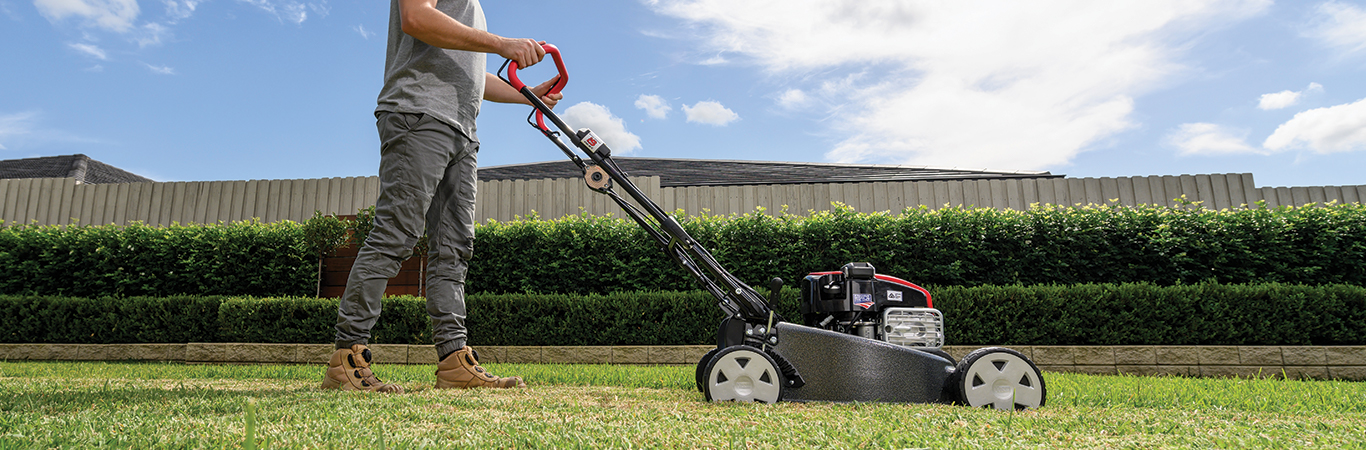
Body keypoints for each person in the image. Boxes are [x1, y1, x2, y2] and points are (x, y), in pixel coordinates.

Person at [321, 0, 563, 393]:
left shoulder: (473, 7)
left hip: (462, 130)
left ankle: (454, 360)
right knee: (395, 236)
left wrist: (526, 95)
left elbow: (468, 71)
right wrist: (502, 44)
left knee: (454, 248)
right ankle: (346, 357)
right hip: (418, 115)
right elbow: (416, 17)